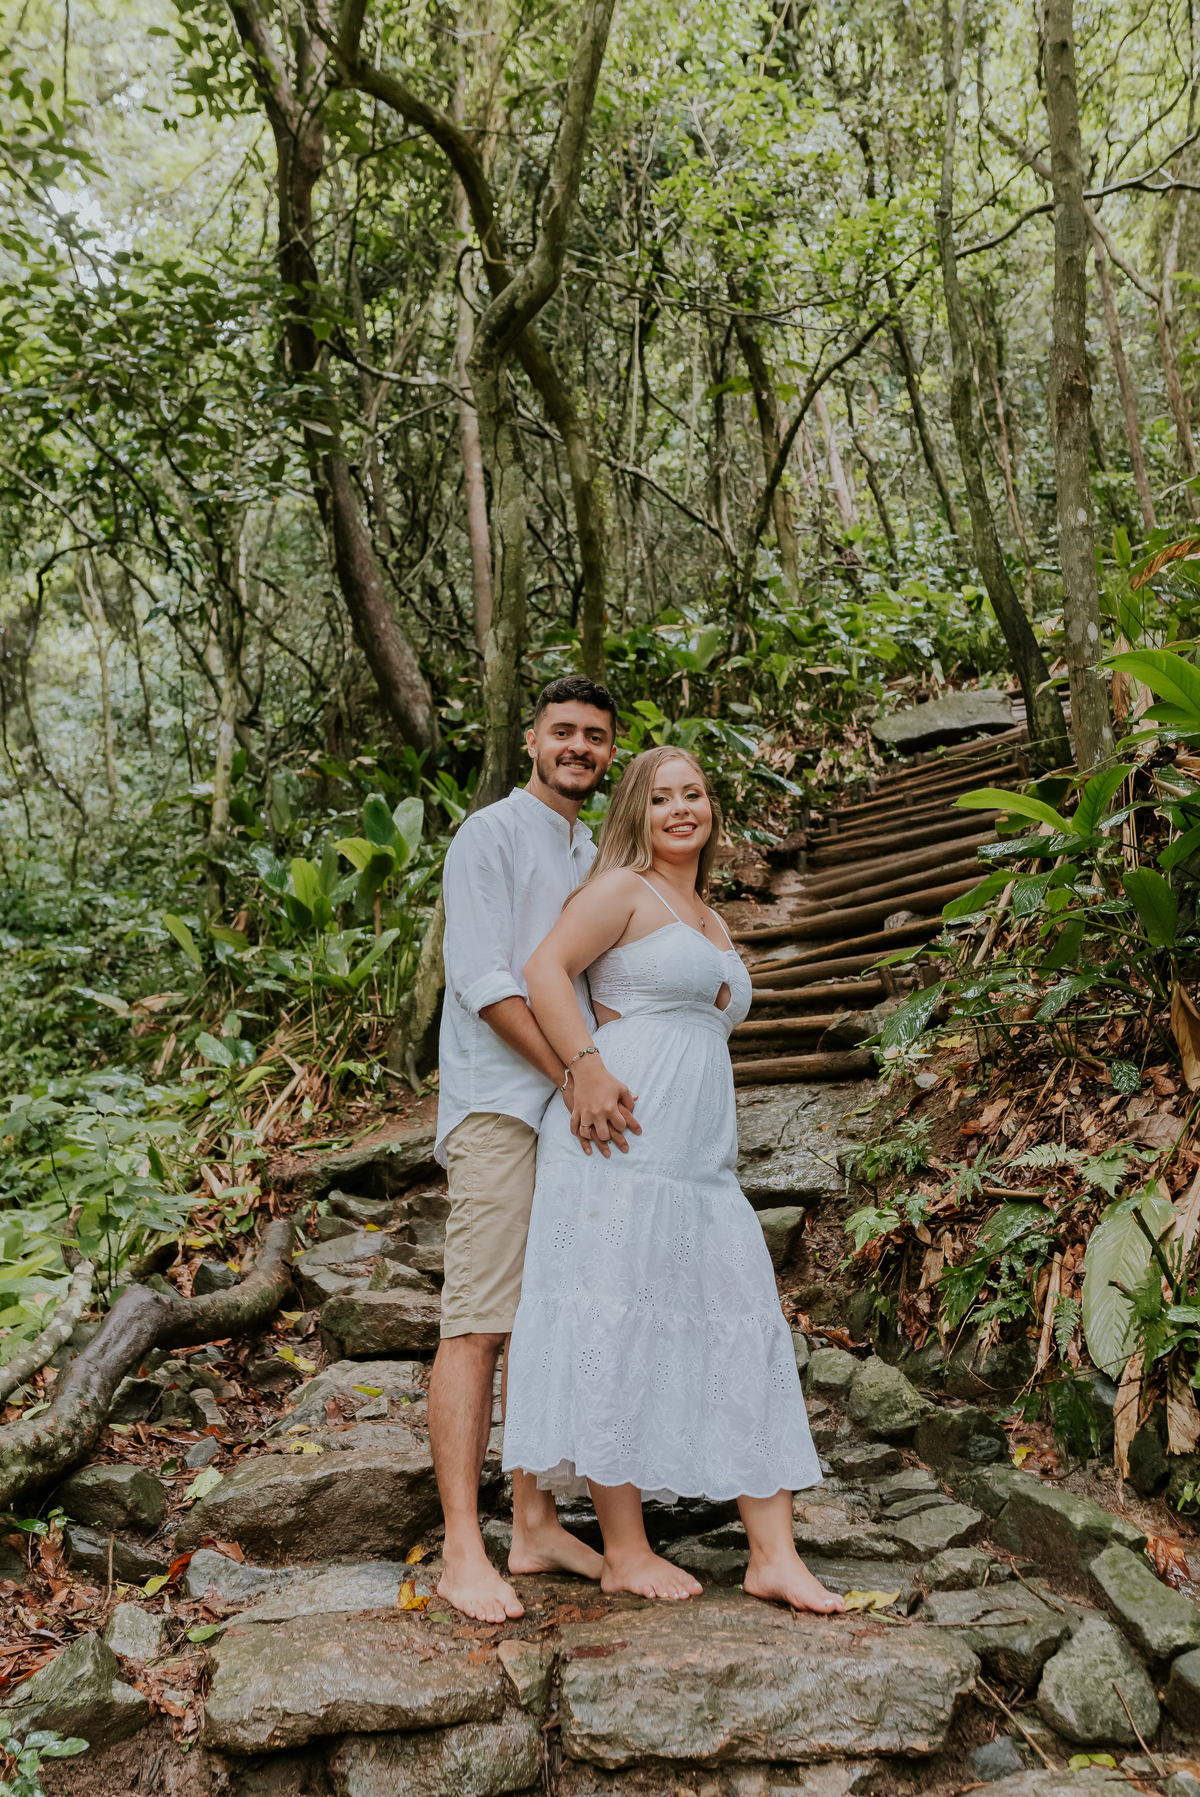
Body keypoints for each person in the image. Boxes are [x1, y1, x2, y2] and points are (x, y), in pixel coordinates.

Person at [502, 745, 842, 1612]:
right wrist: (582, 1067)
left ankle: (773, 1554)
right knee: (613, 1321)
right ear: (637, 813)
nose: (682, 808)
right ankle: (624, 1549)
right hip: (618, 1146)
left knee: (743, 1323)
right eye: (662, 798)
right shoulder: (624, 889)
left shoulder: (713, 919)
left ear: (712, 809)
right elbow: (542, 969)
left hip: (699, 1164)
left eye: (695, 793)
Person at [431, 674, 634, 1624]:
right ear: (531, 740)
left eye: (594, 735)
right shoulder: (490, 835)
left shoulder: (593, 853)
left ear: (610, 751)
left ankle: (534, 1520)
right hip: (500, 1107)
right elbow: (483, 981)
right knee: (479, 1321)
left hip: (566, 1113)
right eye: (563, 731)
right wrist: (572, 1072)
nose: (578, 746)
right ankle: (460, 1547)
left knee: (546, 1316)